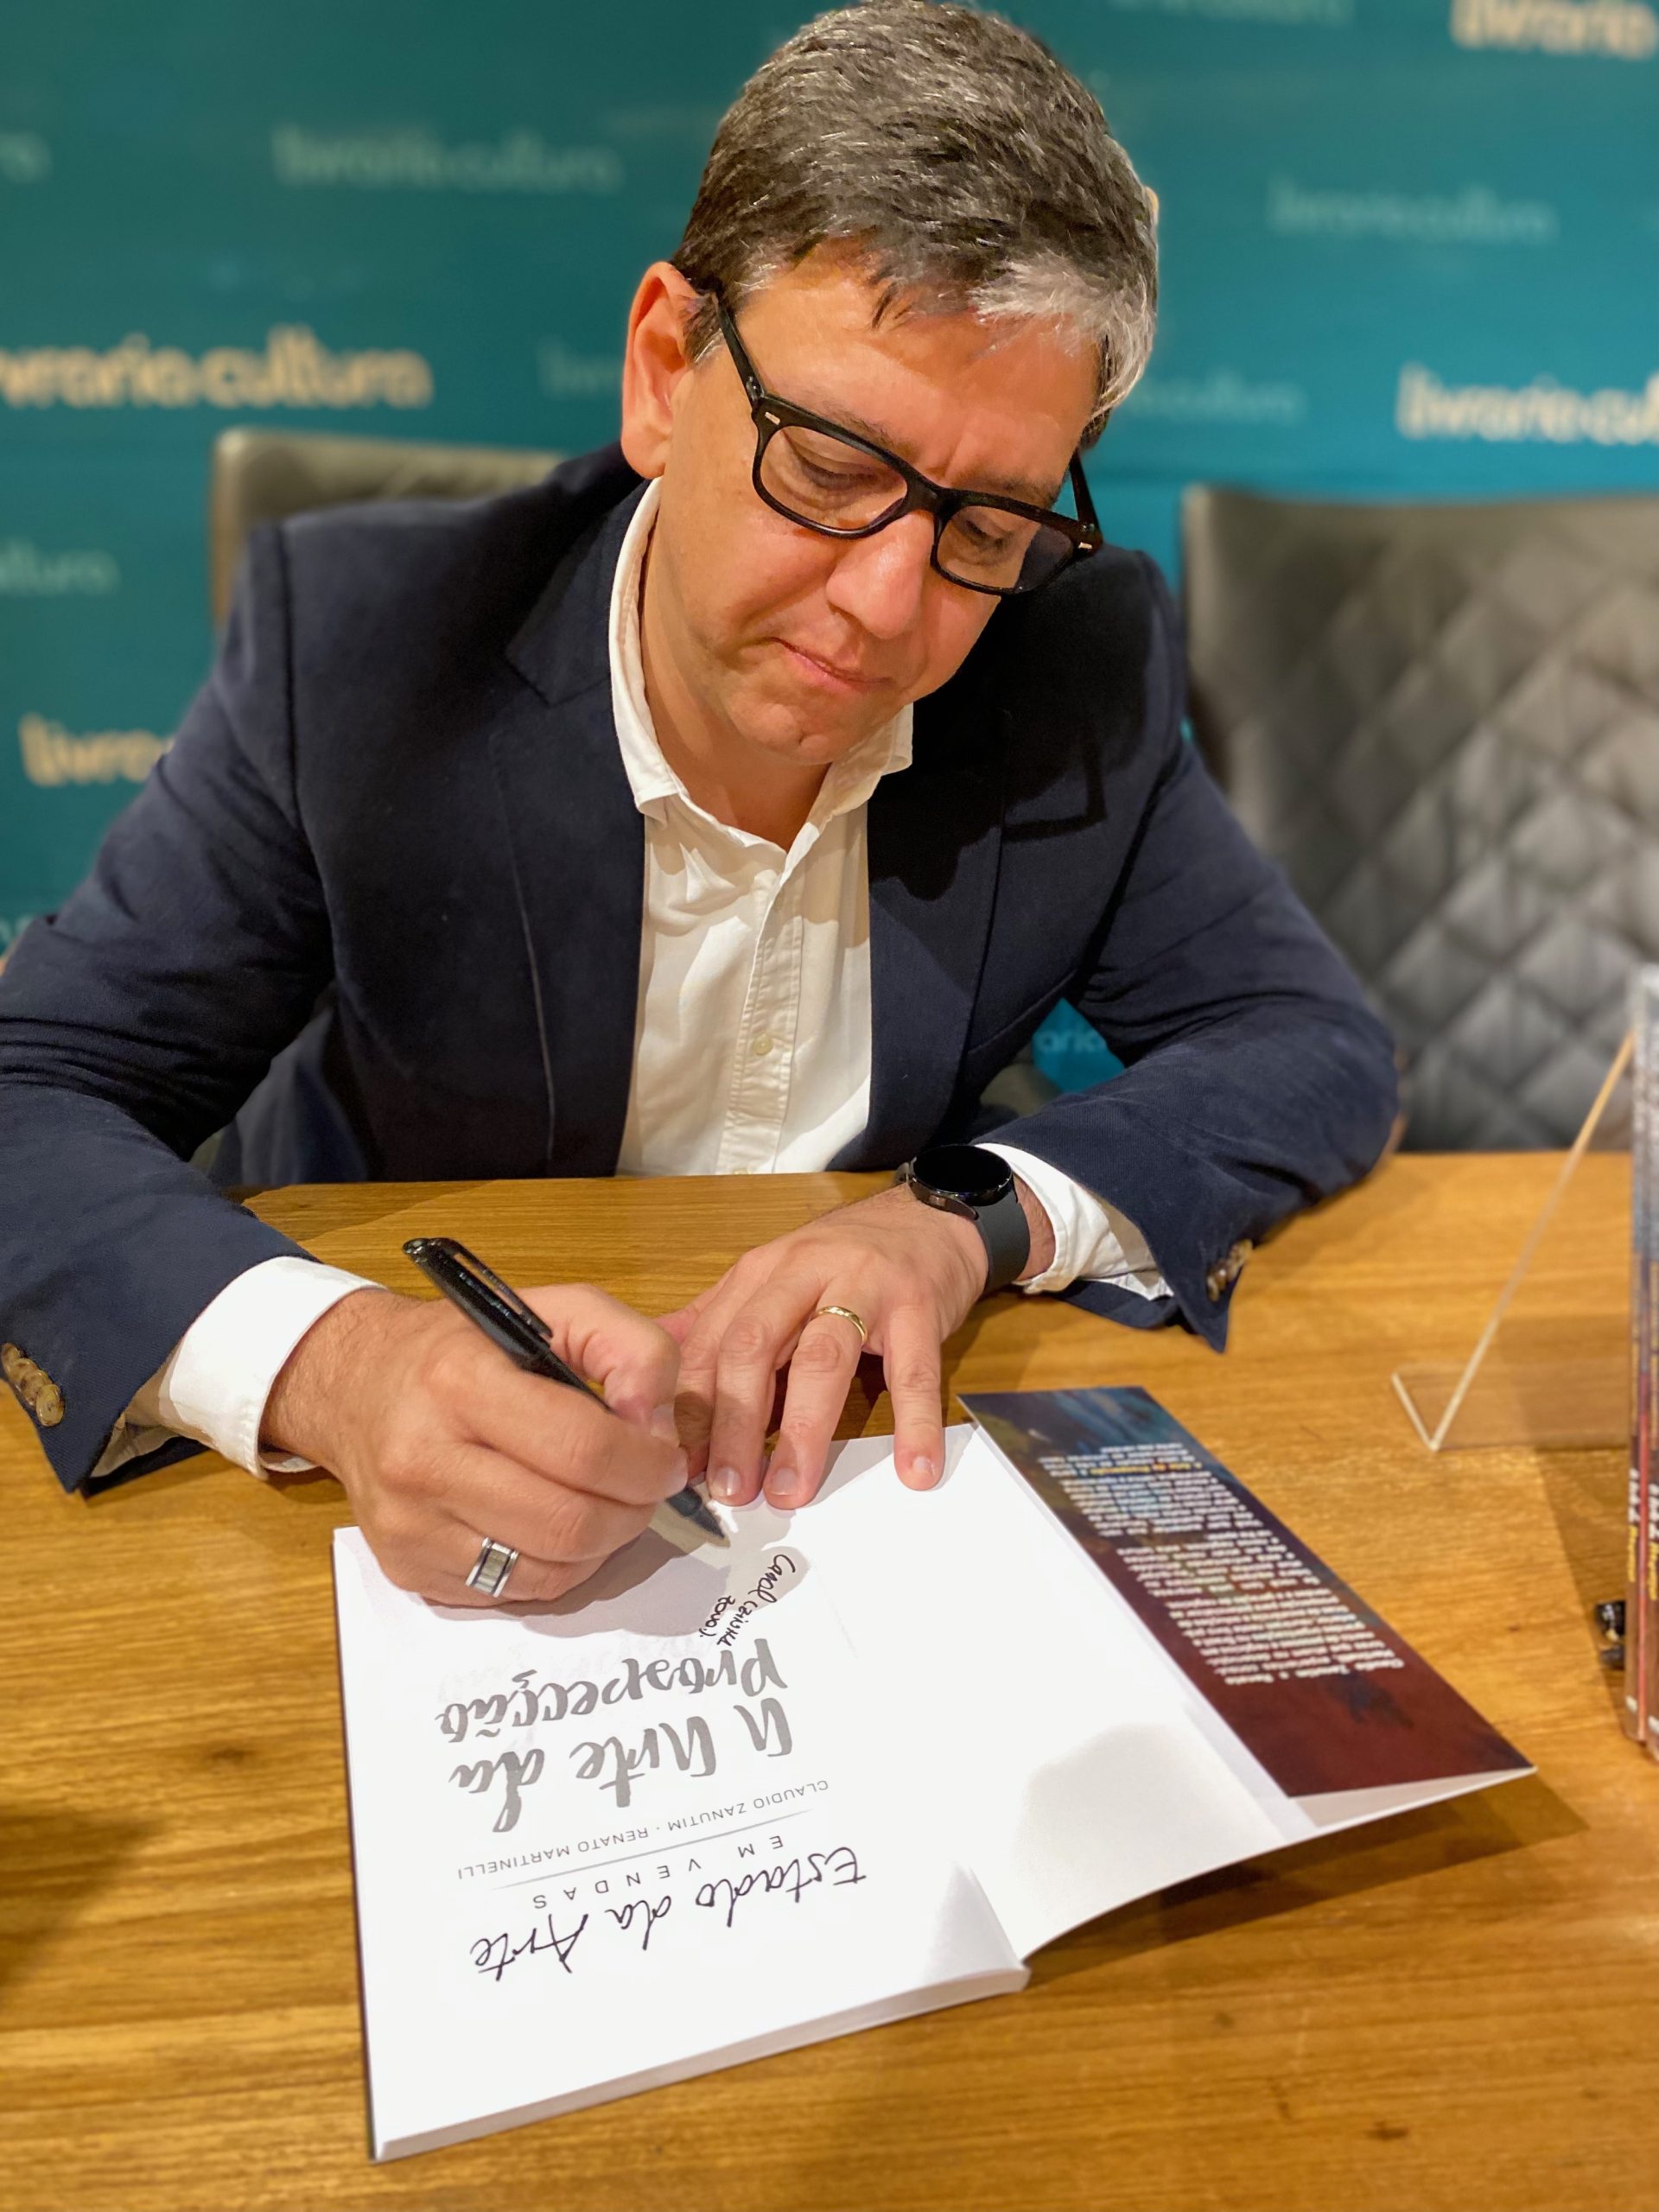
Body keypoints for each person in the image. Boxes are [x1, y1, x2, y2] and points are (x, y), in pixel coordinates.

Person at [0, 0, 1396, 1609]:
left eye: (986, 526)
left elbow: (1306, 1046)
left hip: (845, 1508)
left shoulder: (1067, 663)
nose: (888, 606)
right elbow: (33, 1089)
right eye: (830, 467)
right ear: (666, 370)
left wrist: (961, 1222)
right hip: (362, 1520)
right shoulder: (369, 652)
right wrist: (339, 1365)